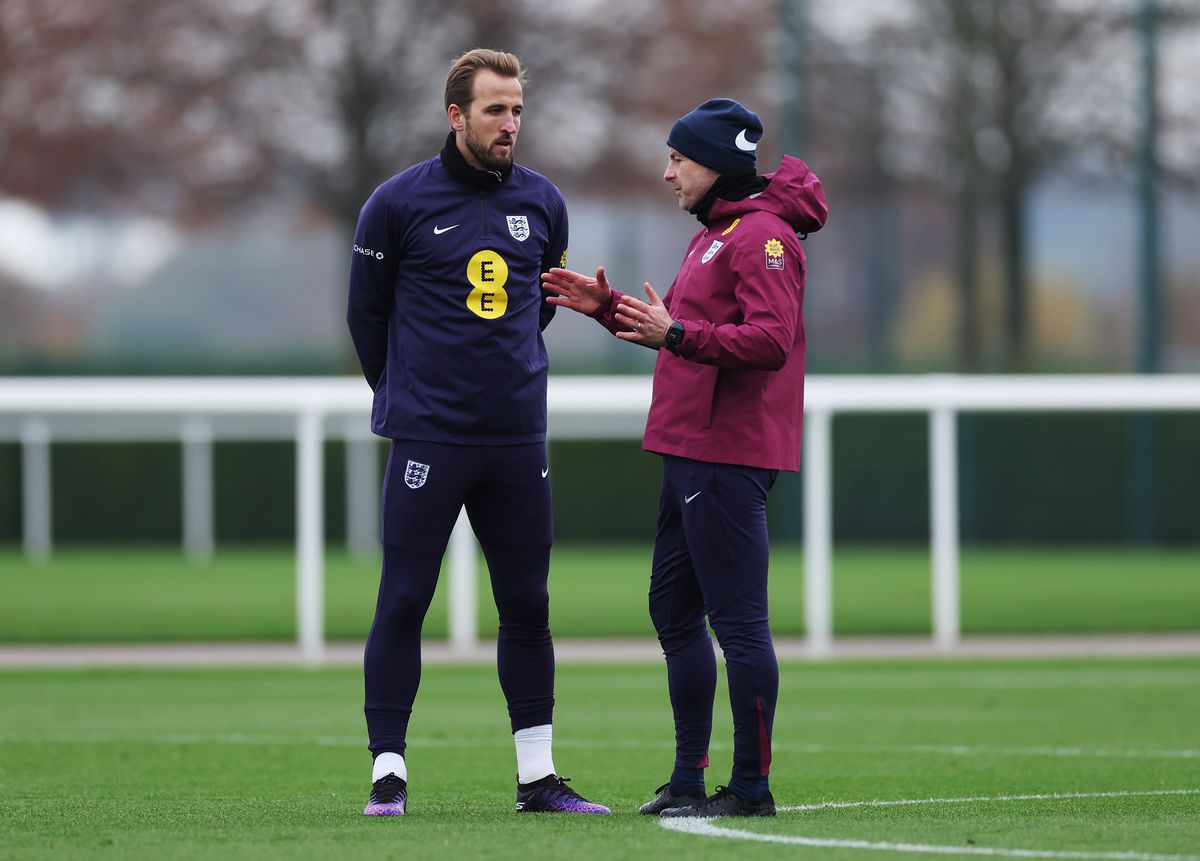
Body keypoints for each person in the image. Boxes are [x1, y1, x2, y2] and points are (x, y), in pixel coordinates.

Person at [542, 98, 827, 818]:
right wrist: (606, 308)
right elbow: (675, 328)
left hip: (726, 454)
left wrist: (676, 334)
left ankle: (752, 787)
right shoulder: (715, 234)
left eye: (677, 158)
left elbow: (768, 339)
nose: (667, 173)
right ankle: (688, 778)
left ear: (716, 163)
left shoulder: (761, 237)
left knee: (739, 624)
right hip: (686, 448)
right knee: (672, 610)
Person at [346, 48, 609, 818]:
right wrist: (411, 395)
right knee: (404, 599)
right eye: (495, 109)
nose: (510, 123)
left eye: (518, 109)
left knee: (527, 602)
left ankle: (538, 778)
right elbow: (367, 317)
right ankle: (387, 773)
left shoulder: (545, 201)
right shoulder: (396, 205)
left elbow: (543, 305)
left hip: (517, 440)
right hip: (430, 439)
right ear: (456, 114)